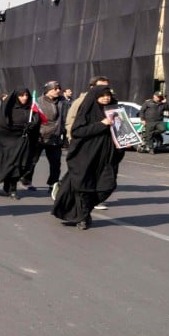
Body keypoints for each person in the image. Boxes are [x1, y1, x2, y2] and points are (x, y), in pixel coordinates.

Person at [51, 86, 117, 230]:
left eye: (108, 95)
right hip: (86, 156)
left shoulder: (113, 111)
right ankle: (83, 216)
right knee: (84, 188)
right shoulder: (87, 111)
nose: (106, 97)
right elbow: (78, 131)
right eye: (103, 95)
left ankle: (84, 211)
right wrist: (101, 124)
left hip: (106, 157)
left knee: (107, 186)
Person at [21, 81, 66, 191]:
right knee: (32, 161)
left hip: (56, 137)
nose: (58, 91)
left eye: (59, 88)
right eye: (55, 89)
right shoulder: (37, 102)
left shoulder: (63, 101)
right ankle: (26, 181)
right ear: (47, 90)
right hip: (39, 137)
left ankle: (53, 184)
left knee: (56, 162)